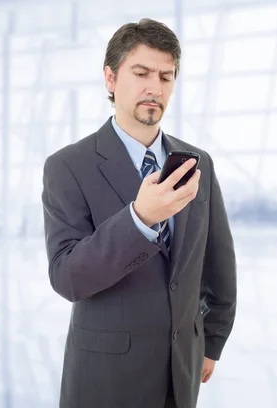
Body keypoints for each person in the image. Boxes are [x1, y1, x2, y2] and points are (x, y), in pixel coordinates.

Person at [41, 18, 237, 408]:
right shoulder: (67, 166)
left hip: (181, 374)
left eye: (166, 76)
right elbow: (67, 277)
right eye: (142, 73)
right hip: (105, 379)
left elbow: (219, 266)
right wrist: (139, 220)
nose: (155, 87)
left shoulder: (199, 163)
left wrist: (211, 343)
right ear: (111, 79)